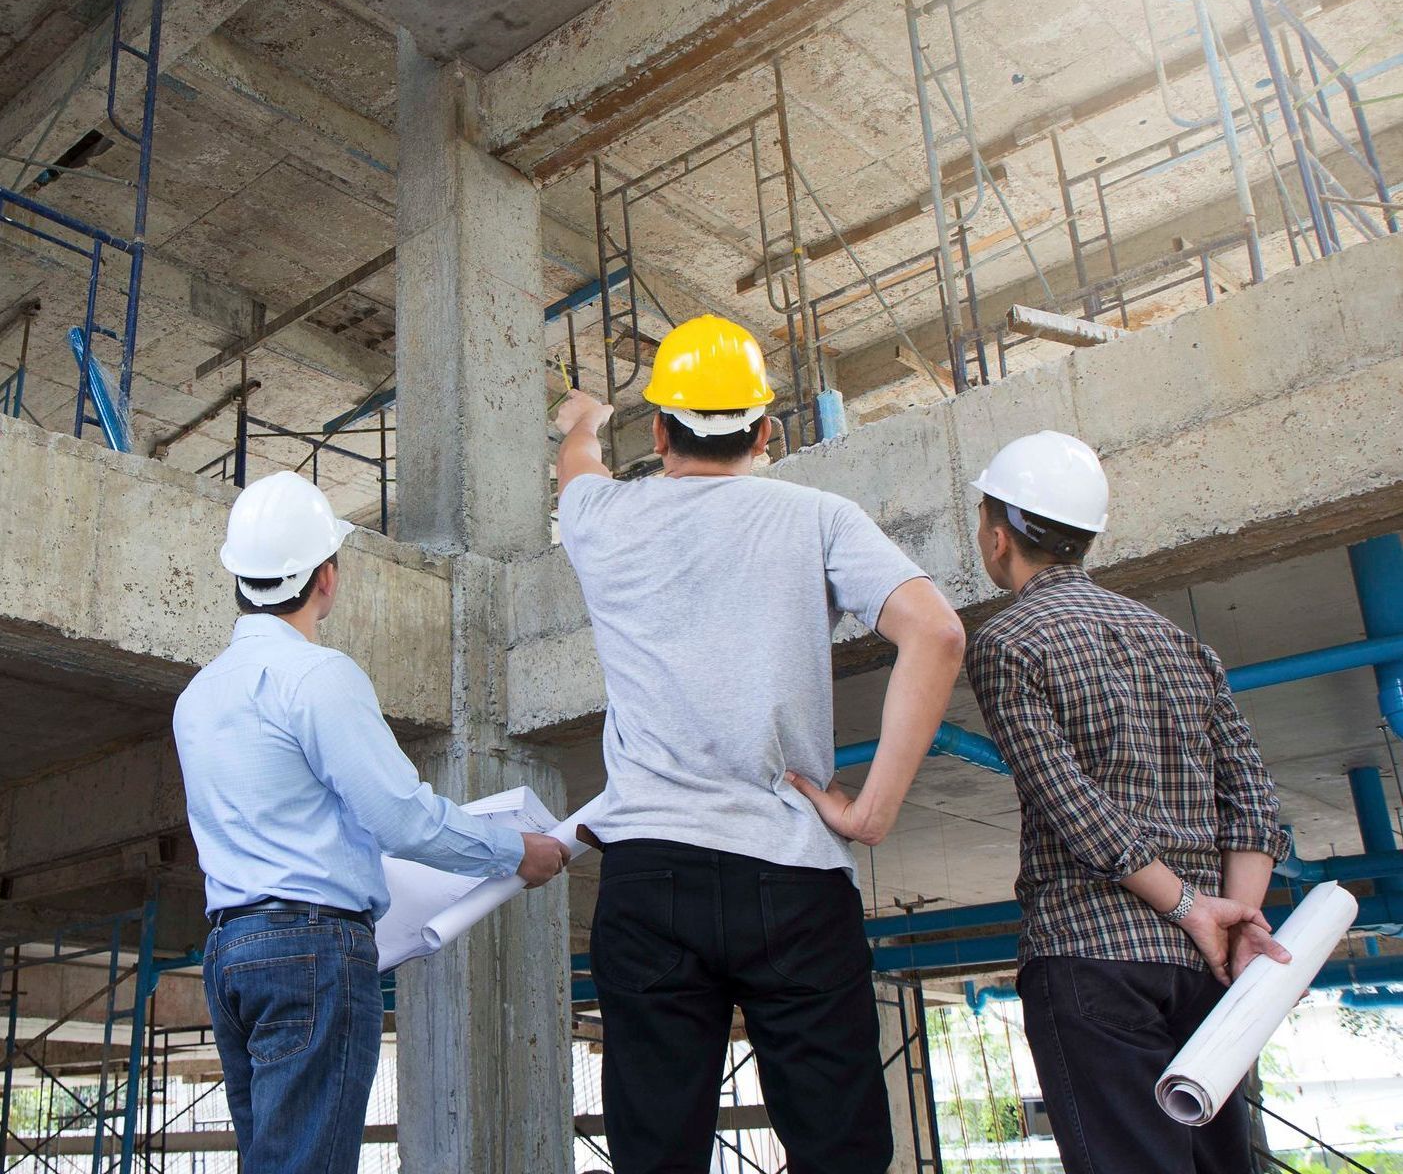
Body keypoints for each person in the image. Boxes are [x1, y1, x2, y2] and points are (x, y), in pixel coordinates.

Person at [554, 314, 966, 1174]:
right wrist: (871, 812)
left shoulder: (602, 518)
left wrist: (584, 422)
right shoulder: (817, 515)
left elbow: (577, 471)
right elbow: (935, 633)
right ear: (766, 431)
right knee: (838, 1149)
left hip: (649, 873)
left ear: (660, 431)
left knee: (655, 1152)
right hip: (792, 874)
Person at [172, 470, 570, 1174]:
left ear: (237, 577)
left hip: (231, 953)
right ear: (327, 577)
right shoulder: (319, 678)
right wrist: (515, 853)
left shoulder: (198, 697)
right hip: (310, 951)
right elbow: (401, 819)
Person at [963, 431, 1292, 1174]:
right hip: (1207, 971)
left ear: (994, 535)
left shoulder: (1006, 642)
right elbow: (1251, 798)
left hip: (1090, 957)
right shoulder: (1179, 643)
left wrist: (1187, 908)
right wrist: (1232, 921)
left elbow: (1071, 807)